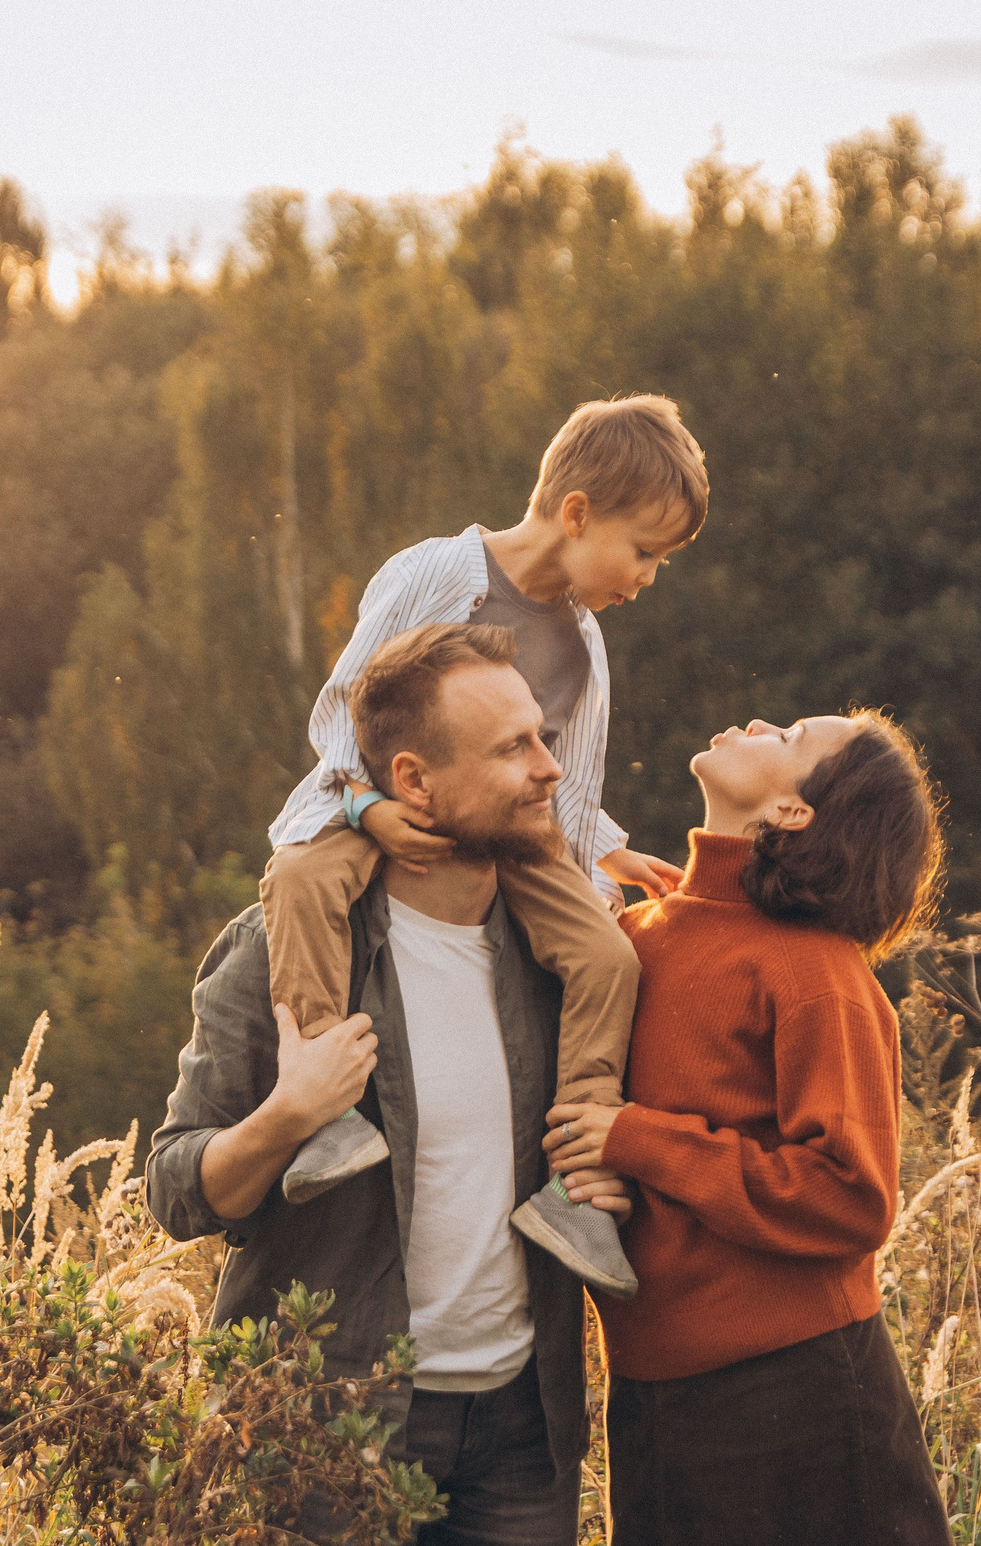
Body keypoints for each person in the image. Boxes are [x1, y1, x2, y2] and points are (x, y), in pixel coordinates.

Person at [146, 623, 632, 1546]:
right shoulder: (285, 945)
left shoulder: (553, 949)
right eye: (512, 745)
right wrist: (287, 1115)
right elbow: (173, 1186)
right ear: (410, 783)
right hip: (335, 1428)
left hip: (522, 1429)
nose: (546, 768)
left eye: (544, 735)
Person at [541, 711, 981, 1546]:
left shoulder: (813, 974)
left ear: (792, 808)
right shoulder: (648, 928)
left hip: (799, 1400)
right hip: (662, 1399)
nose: (759, 717)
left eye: (792, 730)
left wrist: (637, 1136)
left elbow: (852, 1194)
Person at [256, 395, 706, 1303]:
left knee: (606, 956)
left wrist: (603, 857)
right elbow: (343, 703)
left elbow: (564, 777)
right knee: (299, 880)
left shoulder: (584, 642)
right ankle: (324, 1115)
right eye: (646, 550)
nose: (650, 576)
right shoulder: (439, 572)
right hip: (382, 798)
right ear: (576, 513)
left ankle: (577, 1185)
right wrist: (365, 805)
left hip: (510, 836)